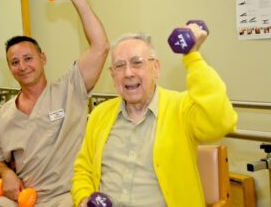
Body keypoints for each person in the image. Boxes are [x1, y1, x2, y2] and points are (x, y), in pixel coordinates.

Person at [72, 24, 238, 207]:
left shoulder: (181, 108)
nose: (128, 73)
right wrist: (83, 198)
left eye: (137, 63)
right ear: (112, 76)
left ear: (156, 68)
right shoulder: (99, 114)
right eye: (119, 66)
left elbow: (221, 122)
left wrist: (192, 57)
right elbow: (83, 169)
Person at [0, 0, 109, 207]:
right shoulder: (4, 116)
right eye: (14, 62)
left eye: (28, 58)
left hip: (66, 195)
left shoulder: (70, 88)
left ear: (43, 58)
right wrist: (7, 174)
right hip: (25, 198)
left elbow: (100, 46)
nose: (22, 66)